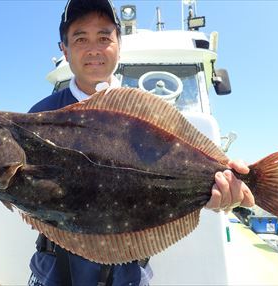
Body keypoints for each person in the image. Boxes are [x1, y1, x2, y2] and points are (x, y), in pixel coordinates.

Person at [27, 0, 255, 285]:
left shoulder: (150, 114)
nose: (94, 48)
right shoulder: (41, 115)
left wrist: (218, 191)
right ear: (65, 48)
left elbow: (179, 177)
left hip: (130, 274)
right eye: (80, 38)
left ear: (118, 44)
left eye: (104, 37)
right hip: (58, 270)